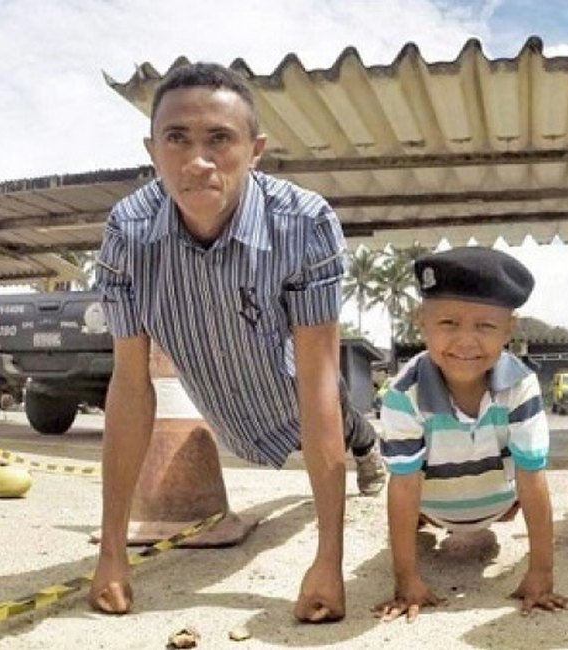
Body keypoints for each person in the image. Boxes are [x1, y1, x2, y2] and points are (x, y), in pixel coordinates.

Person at [89, 62, 386, 622]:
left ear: (256, 150)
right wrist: (111, 555)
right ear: (153, 149)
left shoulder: (304, 224)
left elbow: (319, 382)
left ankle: (367, 449)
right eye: (177, 139)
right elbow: (130, 385)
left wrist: (329, 560)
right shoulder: (126, 234)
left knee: (339, 415)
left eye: (219, 139)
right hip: (221, 396)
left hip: (294, 383)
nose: (197, 162)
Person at [374, 247, 568, 621]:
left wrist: (541, 574)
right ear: (422, 321)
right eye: (448, 323)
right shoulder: (402, 394)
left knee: (524, 482)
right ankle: (425, 522)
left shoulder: (521, 386)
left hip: (501, 507)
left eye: (485, 326)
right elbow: (403, 485)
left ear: (510, 329)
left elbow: (532, 476)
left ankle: (489, 510)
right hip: (431, 511)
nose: (466, 341)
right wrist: (407, 579)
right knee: (406, 488)